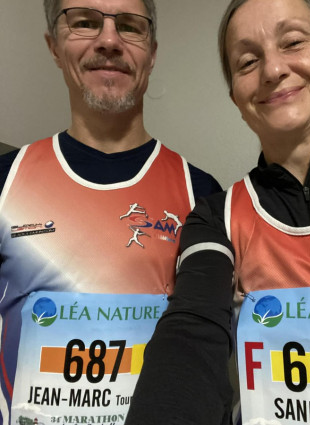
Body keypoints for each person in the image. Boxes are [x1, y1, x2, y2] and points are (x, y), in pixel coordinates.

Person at [125, 0, 310, 424]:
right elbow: (190, 333)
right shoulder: (215, 217)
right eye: (248, 61)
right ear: (236, 97)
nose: (273, 69)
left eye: (293, 42)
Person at [0, 1, 221, 424]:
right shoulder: (6, 181)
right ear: (54, 45)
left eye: (130, 26)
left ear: (152, 52)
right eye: (84, 22)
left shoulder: (204, 196)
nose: (108, 40)